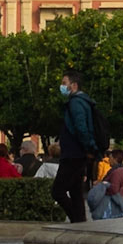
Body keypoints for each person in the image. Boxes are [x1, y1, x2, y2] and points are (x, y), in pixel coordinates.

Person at [52, 68, 98, 226]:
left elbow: (81, 128)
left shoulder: (75, 103)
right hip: (78, 154)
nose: (62, 86)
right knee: (76, 191)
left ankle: (76, 219)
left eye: (64, 83)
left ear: (74, 85)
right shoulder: (83, 102)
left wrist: (88, 147)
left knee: (57, 191)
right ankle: (80, 222)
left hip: (73, 154)